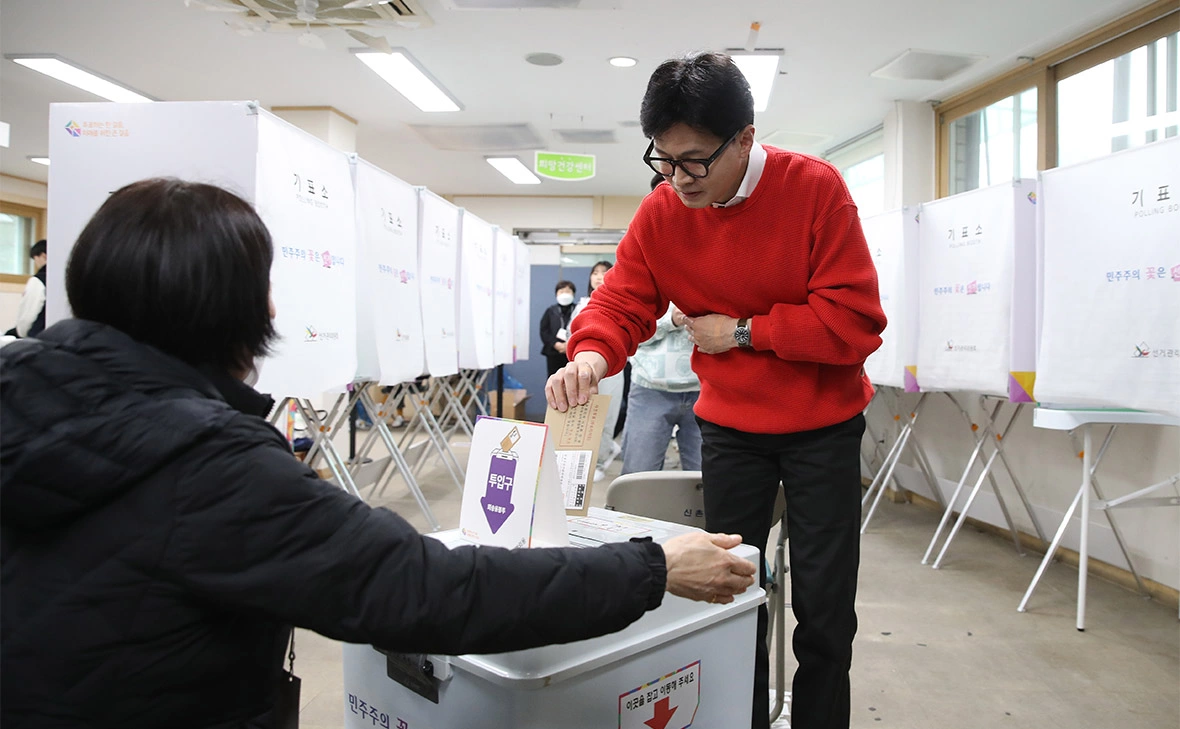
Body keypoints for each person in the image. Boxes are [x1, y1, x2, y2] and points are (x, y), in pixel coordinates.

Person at [0, 178, 757, 728]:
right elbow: (429, 590)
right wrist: (655, 567)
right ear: (222, 307)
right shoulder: (208, 467)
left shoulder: (16, 386)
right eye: (263, 285)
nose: (273, 306)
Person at [546, 53, 886, 729]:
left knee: (823, 613)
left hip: (823, 428)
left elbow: (856, 323)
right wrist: (589, 355)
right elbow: (621, 301)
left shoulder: (815, 189)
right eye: (663, 159)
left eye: (694, 160)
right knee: (732, 598)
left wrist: (744, 332)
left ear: (745, 139)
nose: (677, 178)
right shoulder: (664, 210)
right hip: (731, 432)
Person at [620, 175, 703, 475]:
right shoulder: (645, 252)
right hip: (650, 386)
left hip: (704, 387)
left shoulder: (711, 251)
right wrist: (671, 320)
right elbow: (628, 331)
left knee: (708, 485)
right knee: (638, 478)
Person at [572, 260, 625, 481]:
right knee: (583, 415)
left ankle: (601, 461)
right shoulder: (581, 304)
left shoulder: (621, 303)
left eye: (605, 272)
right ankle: (580, 461)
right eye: (595, 273)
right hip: (582, 366)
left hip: (613, 368)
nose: (599, 276)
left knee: (606, 414)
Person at [9, 239, 47, 339]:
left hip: (36, 338)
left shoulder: (38, 281)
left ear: (43, 255)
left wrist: (21, 334)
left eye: (35, 259)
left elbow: (27, 318)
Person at [538, 279, 576, 377]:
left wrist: (569, 344)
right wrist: (555, 343)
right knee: (554, 379)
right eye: (561, 291)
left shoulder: (578, 310)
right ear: (556, 294)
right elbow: (544, 330)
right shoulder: (550, 311)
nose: (565, 294)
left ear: (573, 294)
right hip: (553, 352)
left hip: (573, 352)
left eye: (568, 291)